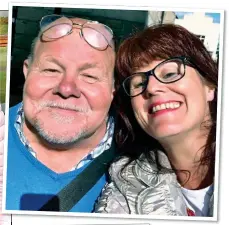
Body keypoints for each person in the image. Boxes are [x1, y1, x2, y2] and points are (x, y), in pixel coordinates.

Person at [95, 24, 218, 217]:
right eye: (139, 83)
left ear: (209, 86)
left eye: (169, 74)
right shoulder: (126, 185)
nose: (151, 88)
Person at [4, 14, 116, 212]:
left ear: (113, 89)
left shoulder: (148, 166)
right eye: (51, 70)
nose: (66, 88)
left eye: (89, 76)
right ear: (26, 71)